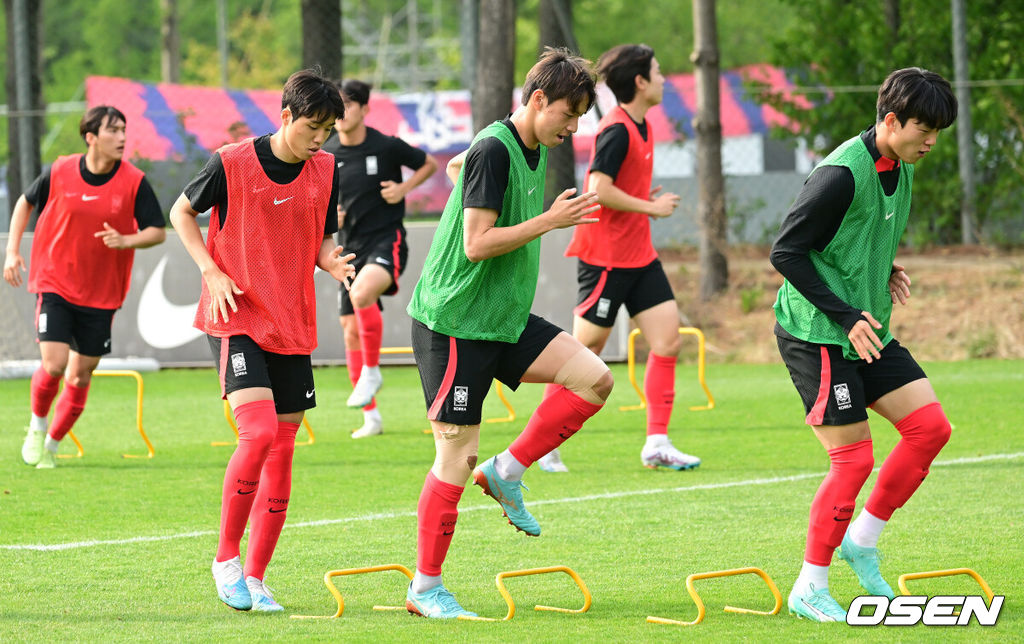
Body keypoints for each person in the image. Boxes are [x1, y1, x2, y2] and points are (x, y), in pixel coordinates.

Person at [403, 48, 612, 619]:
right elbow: (475, 243)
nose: (572, 129)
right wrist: (550, 219)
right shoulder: (495, 148)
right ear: (538, 100)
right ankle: (425, 589)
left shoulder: (523, 147)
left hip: (502, 320)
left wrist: (465, 178)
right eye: (568, 115)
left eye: (579, 119)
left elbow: (461, 173)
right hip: (455, 323)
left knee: (593, 379)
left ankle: (509, 470)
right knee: (456, 454)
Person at [770, 67, 957, 622]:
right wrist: (846, 312)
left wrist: (884, 263)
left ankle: (862, 541)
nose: (931, 141)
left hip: (867, 329)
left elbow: (851, 234)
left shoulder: (901, 163)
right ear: (891, 119)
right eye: (924, 129)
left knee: (930, 429)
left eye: (937, 133)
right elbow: (787, 252)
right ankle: (810, 585)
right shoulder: (839, 175)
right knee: (852, 460)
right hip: (819, 334)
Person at [169, 69, 353, 613]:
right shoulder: (231, 162)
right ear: (286, 116)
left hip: (292, 323)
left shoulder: (326, 171)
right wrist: (210, 270)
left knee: (284, 448)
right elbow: (182, 211)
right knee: (259, 432)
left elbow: (322, 238)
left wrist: (330, 259)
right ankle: (226, 559)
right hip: (236, 316)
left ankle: (255, 576)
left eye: (328, 131)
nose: (319, 139)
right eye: (312, 127)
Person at [538, 44, 699, 474]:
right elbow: (598, 188)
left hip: (640, 257)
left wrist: (643, 202)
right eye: (659, 70)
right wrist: (651, 208)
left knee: (668, 341)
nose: (664, 78)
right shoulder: (617, 129)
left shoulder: (643, 126)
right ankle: (543, 445)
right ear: (641, 82)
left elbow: (619, 188)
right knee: (582, 354)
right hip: (606, 259)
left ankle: (657, 443)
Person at [4, 106, 166, 470]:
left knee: (81, 372)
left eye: (124, 129)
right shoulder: (60, 170)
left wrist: (127, 241)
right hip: (55, 281)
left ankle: (52, 443)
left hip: (102, 291)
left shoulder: (134, 180)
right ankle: (37, 425)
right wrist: (12, 252)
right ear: (91, 137)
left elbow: (156, 230)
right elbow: (24, 203)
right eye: (113, 130)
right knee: (56, 363)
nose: (122, 137)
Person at [322, 79, 438, 437]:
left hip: (387, 239)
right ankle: (371, 417)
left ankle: (372, 372)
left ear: (365, 109)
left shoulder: (385, 146)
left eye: (348, 106)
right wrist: (330, 219)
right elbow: (318, 201)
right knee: (350, 330)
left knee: (361, 294)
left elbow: (429, 164)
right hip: (348, 247)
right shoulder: (326, 155)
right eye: (336, 108)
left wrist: (404, 188)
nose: (341, 115)